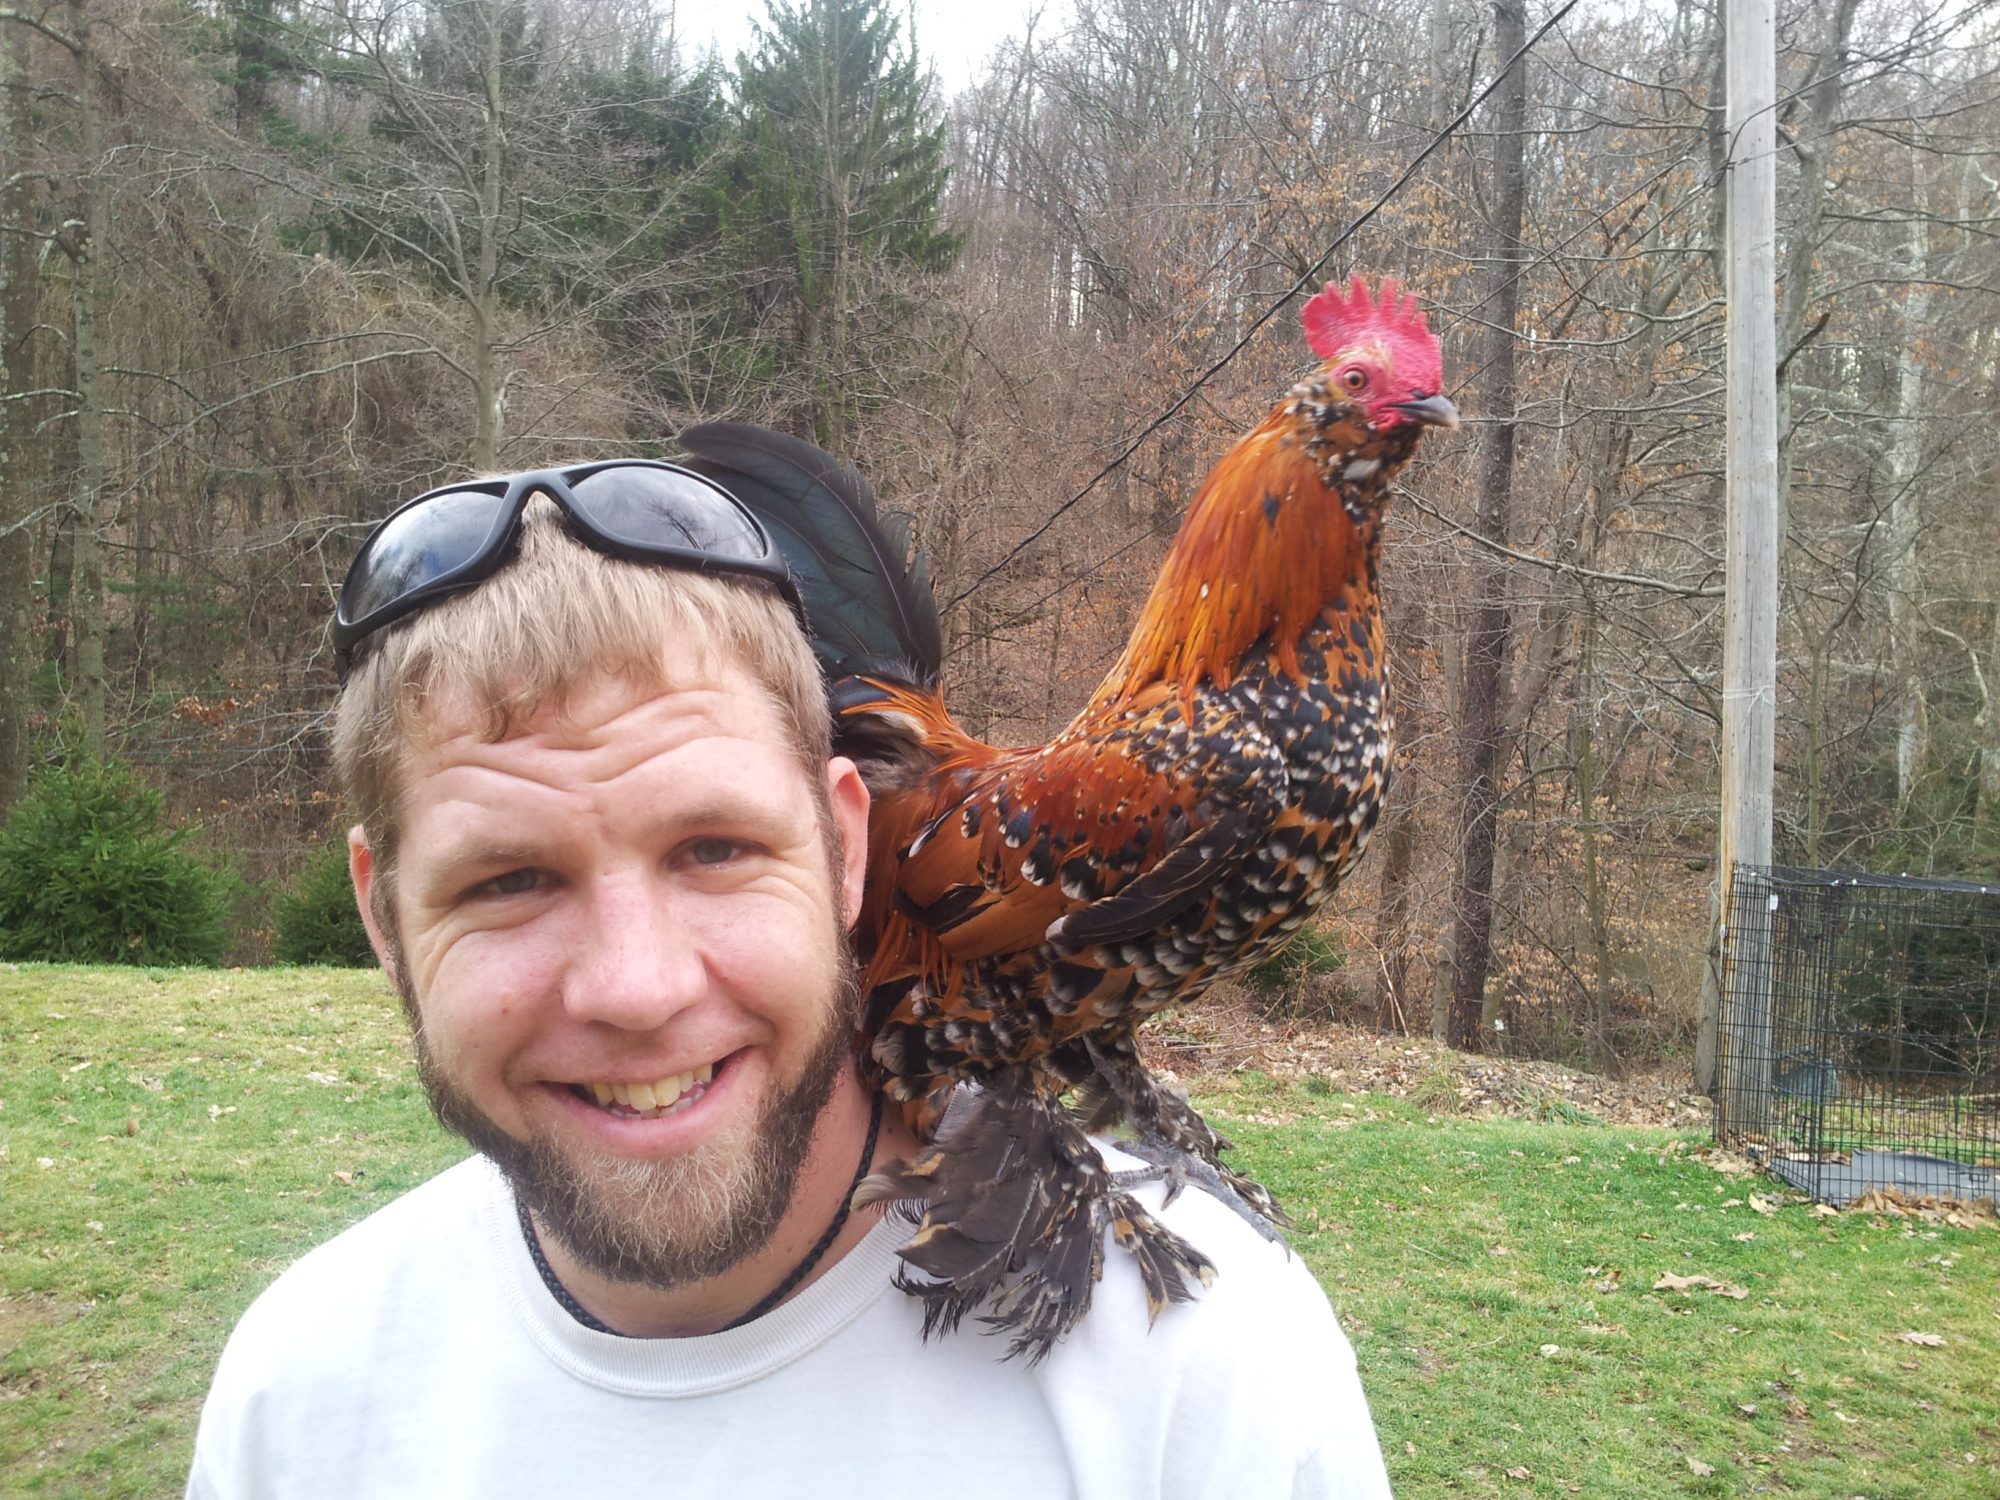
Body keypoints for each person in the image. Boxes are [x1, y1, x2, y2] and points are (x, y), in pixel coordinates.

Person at [185, 460, 1395, 1499]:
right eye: (508, 881)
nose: (637, 989)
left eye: (714, 849)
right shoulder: (297, 1401)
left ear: (846, 849)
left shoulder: (1212, 1373)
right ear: (383, 918)